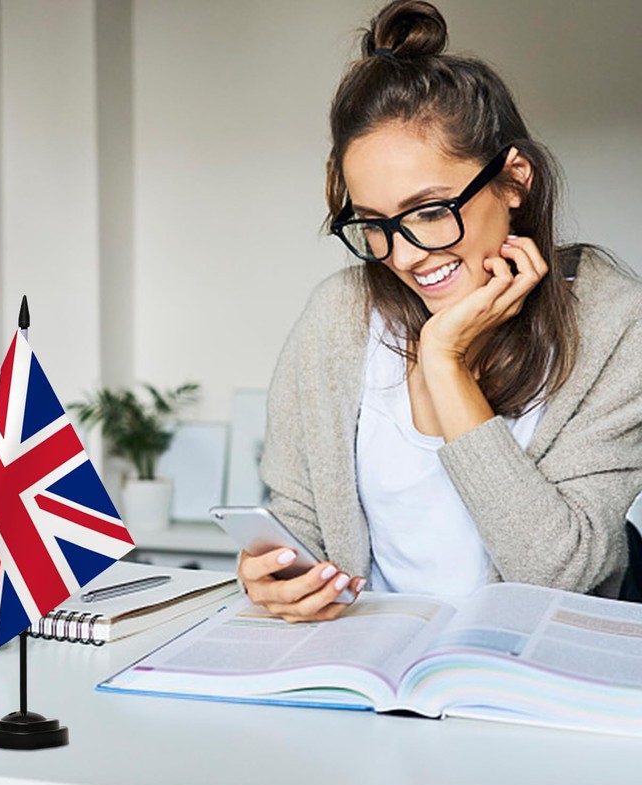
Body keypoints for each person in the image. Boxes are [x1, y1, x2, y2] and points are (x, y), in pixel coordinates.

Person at [238, 0, 642, 621]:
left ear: (513, 180)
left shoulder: (617, 325)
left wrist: (444, 361)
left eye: (430, 211)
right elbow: (300, 524)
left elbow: (563, 576)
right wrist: (274, 579)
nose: (402, 255)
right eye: (375, 224)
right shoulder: (337, 318)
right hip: (370, 671)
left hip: (529, 684)